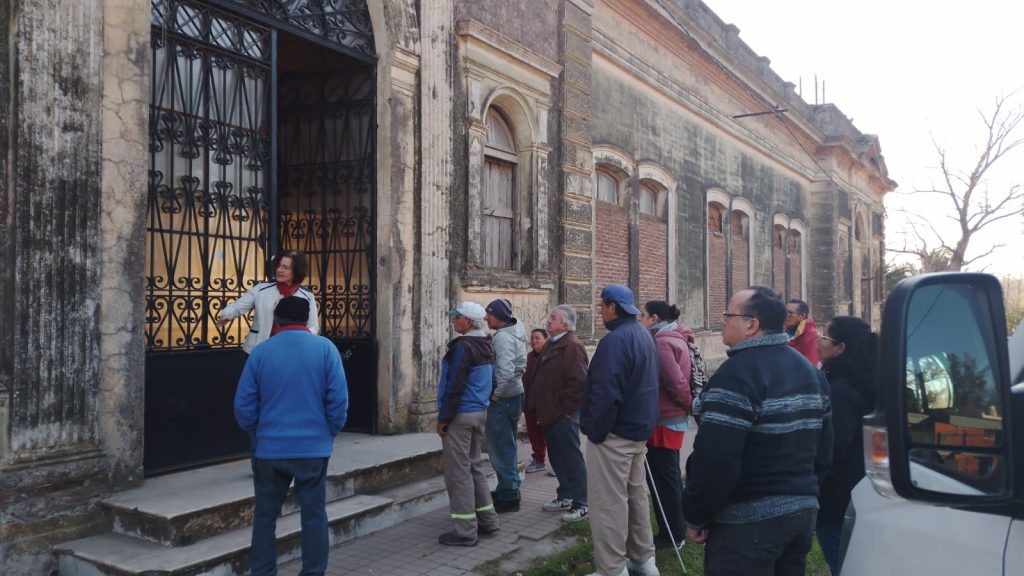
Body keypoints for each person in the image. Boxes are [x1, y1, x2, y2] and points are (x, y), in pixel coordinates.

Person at [684, 286, 833, 576]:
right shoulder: (811, 372)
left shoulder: (736, 375)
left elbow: (716, 459)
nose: (722, 321)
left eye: (728, 314)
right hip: (802, 514)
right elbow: (824, 452)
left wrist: (696, 514)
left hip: (748, 522)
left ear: (752, 324)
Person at [233, 296, 348, 576]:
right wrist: (328, 432)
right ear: (307, 320)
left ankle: (262, 571)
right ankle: (312, 571)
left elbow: (243, 406)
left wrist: (257, 434)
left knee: (265, 516)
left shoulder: (261, 352)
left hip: (270, 448)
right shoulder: (325, 350)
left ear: (277, 321)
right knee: (313, 515)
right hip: (312, 448)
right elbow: (338, 402)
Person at [582, 285, 660, 576]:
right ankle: (643, 560)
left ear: (613, 307)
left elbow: (606, 394)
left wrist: (596, 432)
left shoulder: (614, 341)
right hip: (638, 431)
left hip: (615, 435)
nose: (600, 310)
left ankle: (613, 569)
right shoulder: (642, 334)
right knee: (636, 496)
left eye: (602, 305)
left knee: (608, 503)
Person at [816, 316, 877, 574]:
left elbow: (833, 448)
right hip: (858, 489)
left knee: (842, 563)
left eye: (825, 337)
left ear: (840, 348)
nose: (819, 342)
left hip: (837, 497)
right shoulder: (865, 379)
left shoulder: (841, 390)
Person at [436, 301, 500, 546]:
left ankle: (465, 531)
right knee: (474, 467)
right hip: (479, 412)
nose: (454, 320)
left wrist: (444, 418)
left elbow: (454, 384)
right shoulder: (486, 343)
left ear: (468, 322)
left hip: (460, 416)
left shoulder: (463, 346)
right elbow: (493, 381)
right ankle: (488, 521)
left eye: (457, 317)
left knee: (458, 473)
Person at [638, 300, 694, 552]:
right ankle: (675, 530)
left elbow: (676, 382)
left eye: (644, 315)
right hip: (668, 418)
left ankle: (673, 533)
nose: (641, 319)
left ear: (655, 319)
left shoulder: (661, 342)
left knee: (664, 480)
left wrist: (687, 404)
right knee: (666, 478)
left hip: (664, 420)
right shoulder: (675, 337)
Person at [527, 305, 589, 522]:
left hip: (564, 414)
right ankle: (565, 495)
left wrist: (566, 411)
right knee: (557, 456)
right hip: (549, 413)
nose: (548, 320)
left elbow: (579, 382)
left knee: (571, 457)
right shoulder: (552, 344)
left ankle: (582, 502)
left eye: (553, 318)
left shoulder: (572, 346)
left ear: (564, 324)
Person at [218, 250, 318, 353]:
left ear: (297, 271)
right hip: (258, 348)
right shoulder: (261, 289)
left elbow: (313, 325)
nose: (280, 270)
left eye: (285, 268)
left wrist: (304, 339)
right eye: (278, 266)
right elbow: (237, 306)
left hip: (291, 351)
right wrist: (227, 313)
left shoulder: (307, 295)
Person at [484, 298, 528, 513]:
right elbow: (520, 366)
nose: (485, 318)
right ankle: (509, 488)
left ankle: (509, 495)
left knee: (500, 446)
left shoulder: (502, 337)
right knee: (508, 444)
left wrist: (494, 397)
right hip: (515, 394)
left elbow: (505, 371)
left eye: (489, 314)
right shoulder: (517, 329)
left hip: (504, 398)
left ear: (498, 316)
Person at [522, 328, 550, 474]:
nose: (534, 341)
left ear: (546, 339)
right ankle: (538, 460)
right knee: (534, 434)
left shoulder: (551, 356)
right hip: (530, 403)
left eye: (537, 338)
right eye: (532, 338)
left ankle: (560, 464)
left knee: (552, 435)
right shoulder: (528, 358)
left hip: (546, 404)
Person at [784, 299, 820, 366]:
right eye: (785, 312)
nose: (786, 315)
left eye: (790, 313)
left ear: (802, 316)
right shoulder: (781, 331)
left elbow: (811, 364)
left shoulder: (812, 335)